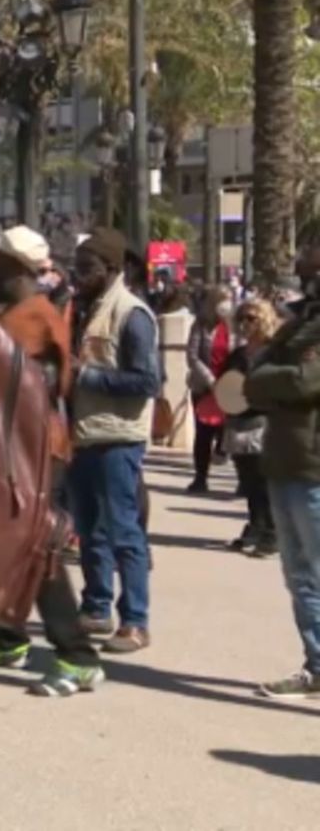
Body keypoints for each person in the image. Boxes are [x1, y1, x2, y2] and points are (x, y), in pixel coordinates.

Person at [0, 226, 105, 695]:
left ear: (15, 269)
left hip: (31, 454)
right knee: (9, 548)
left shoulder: (30, 322)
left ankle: (78, 656)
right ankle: (9, 637)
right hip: (18, 451)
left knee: (38, 551)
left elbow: (23, 393)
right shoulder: (22, 314)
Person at [68, 229, 161, 654]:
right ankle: (96, 606)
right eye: (76, 267)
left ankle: (136, 621)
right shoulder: (84, 309)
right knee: (90, 532)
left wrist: (84, 376)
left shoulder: (131, 313)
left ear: (112, 269)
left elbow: (147, 381)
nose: (78, 276)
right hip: (83, 435)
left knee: (124, 532)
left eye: (87, 269)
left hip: (117, 438)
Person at [246, 245, 320, 698]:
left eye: (309, 269)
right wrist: (269, 378)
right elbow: (257, 374)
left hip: (313, 467)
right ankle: (316, 665)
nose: (302, 276)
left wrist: (266, 379)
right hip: (283, 461)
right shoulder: (299, 323)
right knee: (298, 575)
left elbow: (304, 381)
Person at [223, 298, 279, 557]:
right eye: (241, 318)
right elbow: (226, 386)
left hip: (264, 423)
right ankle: (255, 525)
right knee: (248, 481)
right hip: (238, 424)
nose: (245, 323)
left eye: (251, 318)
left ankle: (272, 533)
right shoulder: (237, 355)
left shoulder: (274, 353)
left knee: (264, 481)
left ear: (264, 320)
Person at [186, 286, 234, 494]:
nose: (227, 304)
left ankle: (231, 463)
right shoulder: (201, 325)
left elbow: (241, 352)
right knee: (203, 434)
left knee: (230, 429)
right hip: (204, 388)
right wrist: (209, 380)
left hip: (230, 386)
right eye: (223, 299)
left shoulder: (235, 326)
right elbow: (192, 356)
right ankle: (200, 478)